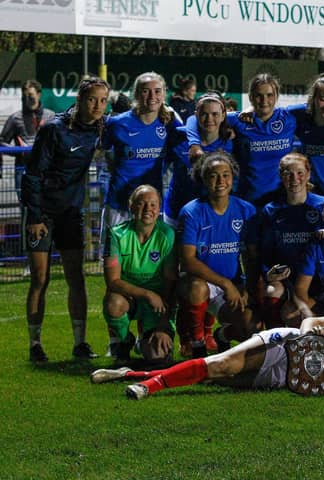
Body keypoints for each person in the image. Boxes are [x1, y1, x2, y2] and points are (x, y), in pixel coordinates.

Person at [90, 290, 324, 400]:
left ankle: (132, 371)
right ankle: (148, 386)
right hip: (289, 347)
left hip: (293, 379)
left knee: (214, 378)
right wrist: (311, 337)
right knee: (220, 365)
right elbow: (313, 321)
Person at [21, 76, 110, 362]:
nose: (97, 106)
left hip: (71, 213)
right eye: (92, 99)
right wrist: (34, 216)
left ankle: (80, 343)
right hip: (43, 214)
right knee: (40, 278)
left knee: (77, 278)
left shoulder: (100, 128)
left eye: (103, 100)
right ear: (80, 99)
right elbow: (32, 175)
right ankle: (35, 344)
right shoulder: (54, 131)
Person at [177, 150, 259, 358]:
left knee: (250, 327)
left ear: (233, 177)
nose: (220, 180)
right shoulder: (191, 212)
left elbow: (251, 256)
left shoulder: (245, 210)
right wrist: (226, 284)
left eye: (225, 175)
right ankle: (198, 346)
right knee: (196, 287)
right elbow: (188, 260)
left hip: (230, 285)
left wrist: (246, 287)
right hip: (202, 282)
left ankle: (222, 335)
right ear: (203, 179)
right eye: (213, 175)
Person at [187, 73, 296, 207]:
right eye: (258, 95)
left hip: (280, 199)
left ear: (277, 96)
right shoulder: (240, 120)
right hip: (247, 199)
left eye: (269, 95)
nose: (264, 100)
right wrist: (194, 144)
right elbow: (194, 118)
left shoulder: (289, 117)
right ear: (251, 97)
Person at [103, 185, 177, 365]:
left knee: (158, 357)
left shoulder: (167, 234)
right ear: (131, 206)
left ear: (159, 208)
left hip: (159, 304)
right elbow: (113, 281)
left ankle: (145, 338)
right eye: (141, 204)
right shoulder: (116, 234)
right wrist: (146, 294)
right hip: (131, 298)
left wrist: (162, 325)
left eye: (153, 205)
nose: (148, 209)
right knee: (113, 303)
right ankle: (124, 340)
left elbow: (171, 282)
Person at [102, 71, 182, 233]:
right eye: (146, 91)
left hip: (151, 207)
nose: (152, 96)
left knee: (150, 257)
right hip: (120, 204)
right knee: (113, 257)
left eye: (157, 91)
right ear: (136, 94)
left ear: (164, 94)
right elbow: (102, 151)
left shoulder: (170, 122)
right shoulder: (117, 123)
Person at [258, 152, 324, 328]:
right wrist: (269, 273)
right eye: (288, 173)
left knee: (295, 317)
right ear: (281, 176)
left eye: (300, 173)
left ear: (308, 173)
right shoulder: (271, 210)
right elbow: (265, 251)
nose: (294, 179)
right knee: (272, 291)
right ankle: (274, 343)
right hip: (287, 279)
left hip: (318, 281)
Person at [163, 92, 233, 227]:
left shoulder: (231, 142)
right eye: (204, 114)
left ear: (223, 115)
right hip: (176, 214)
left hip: (211, 216)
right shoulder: (179, 136)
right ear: (196, 115)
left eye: (215, 114)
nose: (209, 119)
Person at [0, 79, 55, 198]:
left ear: (39, 94)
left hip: (46, 169)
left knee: (45, 205)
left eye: (30, 95)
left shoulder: (50, 116)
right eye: (24, 96)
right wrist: (19, 151)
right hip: (23, 168)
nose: (27, 99)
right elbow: (2, 142)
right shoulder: (15, 118)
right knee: (24, 204)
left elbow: (57, 141)